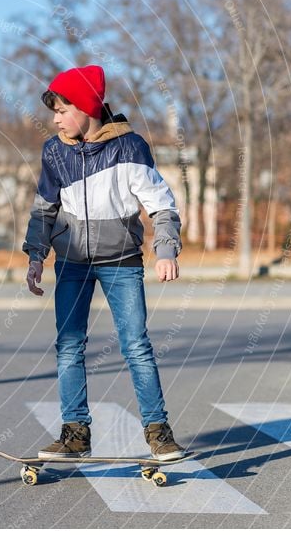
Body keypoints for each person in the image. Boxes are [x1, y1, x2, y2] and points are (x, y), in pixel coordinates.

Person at [23, 64, 186, 461]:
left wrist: (165, 250)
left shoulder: (130, 148)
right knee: (69, 347)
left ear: (84, 107)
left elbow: (162, 206)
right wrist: (35, 255)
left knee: (136, 346)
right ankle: (75, 435)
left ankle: (158, 433)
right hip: (73, 264)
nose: (56, 118)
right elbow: (44, 209)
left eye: (62, 109)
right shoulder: (54, 152)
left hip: (123, 261)